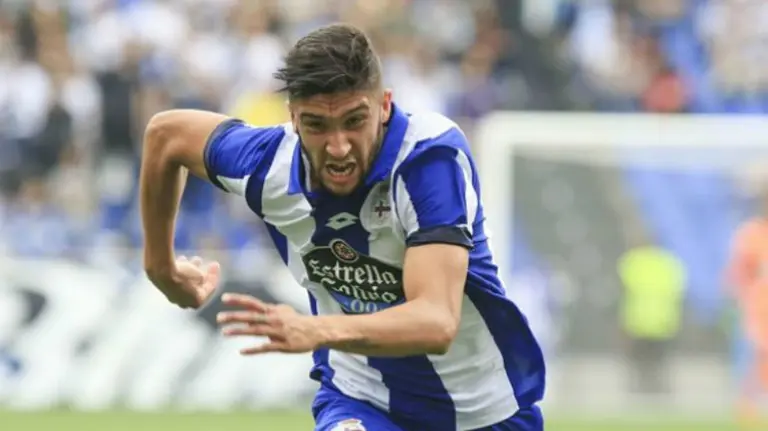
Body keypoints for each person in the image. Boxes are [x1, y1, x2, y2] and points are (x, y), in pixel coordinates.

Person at [139, 23, 545, 431]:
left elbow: (436, 321)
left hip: (485, 410)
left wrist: (314, 329)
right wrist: (162, 268)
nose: (338, 147)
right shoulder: (268, 165)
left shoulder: (427, 160)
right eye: (317, 125)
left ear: (384, 106)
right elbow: (165, 135)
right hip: (362, 400)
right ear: (293, 118)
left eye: (354, 120)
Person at [728, 191, 768, 429]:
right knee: (752, 356)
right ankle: (746, 409)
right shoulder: (752, 234)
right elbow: (740, 273)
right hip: (757, 309)